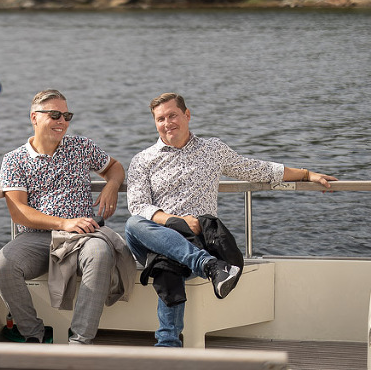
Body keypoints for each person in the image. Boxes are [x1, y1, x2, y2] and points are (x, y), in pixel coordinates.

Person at [125, 92, 337, 347]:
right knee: (132, 224)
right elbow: (137, 205)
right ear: (155, 123)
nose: (167, 123)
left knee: (167, 263)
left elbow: (256, 169)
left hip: (197, 238)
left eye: (173, 115)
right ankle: (211, 267)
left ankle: (168, 346)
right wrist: (175, 221)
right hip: (155, 238)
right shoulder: (143, 160)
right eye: (161, 119)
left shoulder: (212, 149)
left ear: (187, 115)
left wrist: (306, 174)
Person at [0, 89, 128, 344]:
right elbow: (18, 211)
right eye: (54, 114)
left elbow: (115, 167)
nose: (62, 121)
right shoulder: (14, 160)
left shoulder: (80, 146)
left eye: (67, 115)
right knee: (3, 265)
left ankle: (79, 342)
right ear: (34, 117)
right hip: (37, 238)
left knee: (100, 254)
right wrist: (63, 222)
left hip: (82, 236)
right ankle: (33, 334)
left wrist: (111, 186)